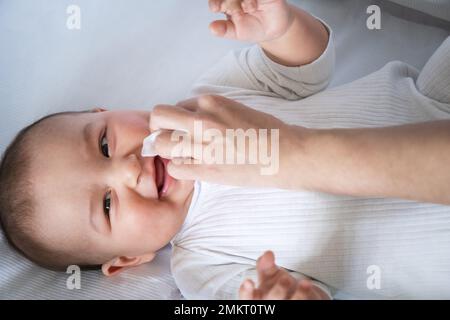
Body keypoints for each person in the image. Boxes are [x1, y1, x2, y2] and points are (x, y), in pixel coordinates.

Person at [1, 0, 450, 300]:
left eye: (103, 143)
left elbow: (301, 68)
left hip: (433, 98)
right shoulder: (200, 267)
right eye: (105, 203)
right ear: (126, 260)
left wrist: (283, 27)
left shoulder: (207, 101)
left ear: (107, 111)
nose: (128, 171)